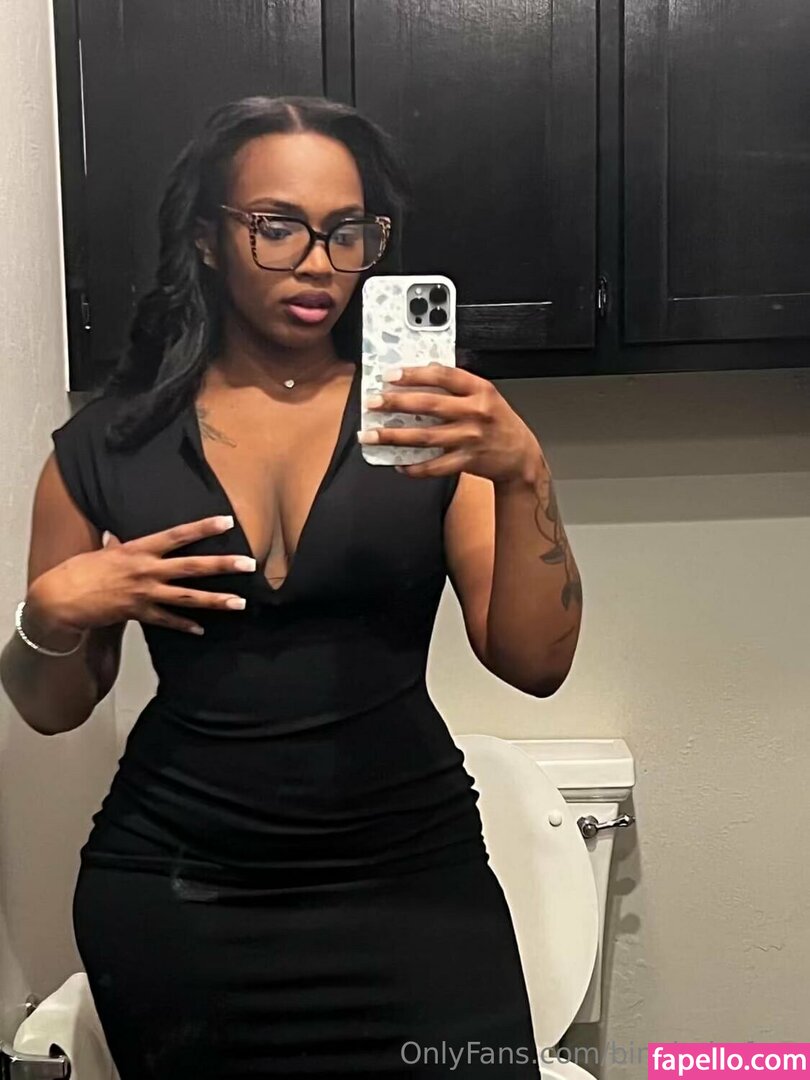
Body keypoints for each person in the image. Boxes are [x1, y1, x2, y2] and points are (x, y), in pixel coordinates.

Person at [1, 95, 583, 1078]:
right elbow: (53, 708)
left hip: (414, 889)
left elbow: (534, 664)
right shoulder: (107, 447)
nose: (319, 263)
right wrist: (48, 614)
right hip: (176, 900)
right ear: (206, 238)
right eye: (277, 227)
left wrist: (526, 473)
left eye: (347, 231)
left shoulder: (435, 426)